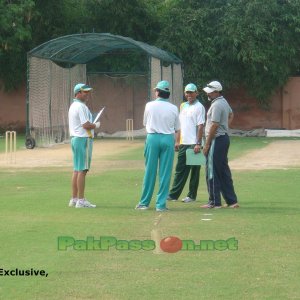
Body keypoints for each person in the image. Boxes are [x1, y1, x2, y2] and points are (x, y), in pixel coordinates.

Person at [135, 80, 180, 212]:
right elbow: (177, 128)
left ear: (158, 92)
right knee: (165, 173)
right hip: (167, 139)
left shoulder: (149, 105)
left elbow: (145, 122)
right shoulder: (174, 108)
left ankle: (144, 203)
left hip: (153, 138)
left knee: (150, 171)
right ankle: (161, 205)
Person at [201, 81, 239, 209]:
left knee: (212, 171)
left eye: (210, 92)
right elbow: (231, 114)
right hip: (223, 139)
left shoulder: (217, 105)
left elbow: (215, 125)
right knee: (223, 170)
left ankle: (214, 201)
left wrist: (207, 144)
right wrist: (226, 127)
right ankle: (232, 201)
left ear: (216, 92)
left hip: (216, 140)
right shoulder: (224, 101)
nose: (208, 94)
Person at [167, 83, 205, 203]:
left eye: (191, 92)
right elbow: (179, 125)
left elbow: (200, 126)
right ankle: (173, 195)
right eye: (187, 92)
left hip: (194, 143)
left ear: (196, 93)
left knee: (194, 171)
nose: (189, 94)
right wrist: (177, 141)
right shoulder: (182, 105)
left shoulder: (199, 107)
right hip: (184, 143)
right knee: (180, 170)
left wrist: (198, 143)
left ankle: (192, 196)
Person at [68, 83, 100, 208]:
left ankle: (74, 198)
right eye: (84, 92)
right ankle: (81, 200)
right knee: (83, 170)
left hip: (76, 139)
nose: (87, 94)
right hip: (83, 139)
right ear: (78, 93)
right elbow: (86, 125)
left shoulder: (73, 105)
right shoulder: (81, 106)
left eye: (88, 92)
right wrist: (96, 125)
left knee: (77, 169)